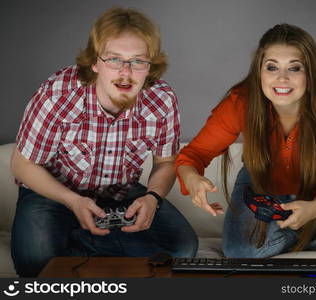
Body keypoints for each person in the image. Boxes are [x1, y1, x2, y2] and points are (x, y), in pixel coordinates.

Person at [176, 24, 316, 258]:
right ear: (259, 70)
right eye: (272, 67)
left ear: (310, 73)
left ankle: (295, 232)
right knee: (240, 252)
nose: (282, 78)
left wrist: (314, 208)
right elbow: (192, 155)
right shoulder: (240, 101)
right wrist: (193, 178)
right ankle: (306, 231)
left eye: (295, 68)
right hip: (260, 184)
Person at [11, 7, 198, 277]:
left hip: (119, 194)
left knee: (182, 250)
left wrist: (153, 197)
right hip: (52, 192)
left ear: (150, 66)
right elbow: (21, 164)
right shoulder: (57, 94)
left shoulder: (163, 100)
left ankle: (75, 240)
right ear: (95, 63)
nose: (126, 72)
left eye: (137, 61)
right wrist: (72, 201)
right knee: (36, 262)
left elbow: (166, 162)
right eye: (114, 59)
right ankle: (80, 234)